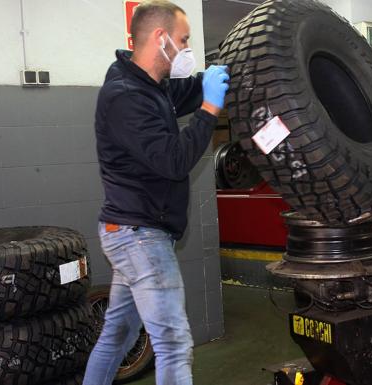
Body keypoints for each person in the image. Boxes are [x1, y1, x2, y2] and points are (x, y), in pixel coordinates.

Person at [82, 1, 229, 384]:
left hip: (133, 231)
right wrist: (211, 109)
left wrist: (229, 75)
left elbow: (191, 89)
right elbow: (173, 161)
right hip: (139, 235)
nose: (187, 49)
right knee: (175, 343)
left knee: (118, 335)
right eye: (184, 40)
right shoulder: (125, 96)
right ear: (161, 38)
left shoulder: (151, 87)